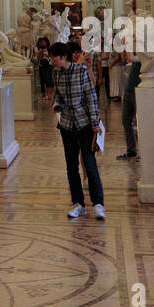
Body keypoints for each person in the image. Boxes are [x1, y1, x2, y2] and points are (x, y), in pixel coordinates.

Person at [50, 42, 105, 220]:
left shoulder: (81, 71)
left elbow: (91, 97)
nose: (52, 60)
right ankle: (78, 204)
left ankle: (98, 204)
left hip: (84, 124)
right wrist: (56, 103)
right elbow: (57, 94)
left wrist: (95, 122)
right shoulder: (56, 73)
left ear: (63, 57)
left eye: (54, 57)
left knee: (89, 164)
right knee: (71, 166)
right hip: (66, 125)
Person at [118, 48, 142, 160]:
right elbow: (127, 60)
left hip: (139, 88)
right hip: (129, 88)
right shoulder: (136, 50)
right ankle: (131, 150)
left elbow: (131, 58)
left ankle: (144, 152)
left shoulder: (147, 53)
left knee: (142, 124)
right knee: (126, 120)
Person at [36, 35, 54, 104]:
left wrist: (47, 55)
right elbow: (38, 59)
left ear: (46, 42)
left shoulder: (50, 49)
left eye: (43, 42)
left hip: (49, 66)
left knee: (48, 80)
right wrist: (40, 53)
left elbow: (52, 57)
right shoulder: (38, 49)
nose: (42, 43)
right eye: (41, 42)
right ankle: (43, 95)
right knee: (42, 80)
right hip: (42, 66)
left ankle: (49, 95)